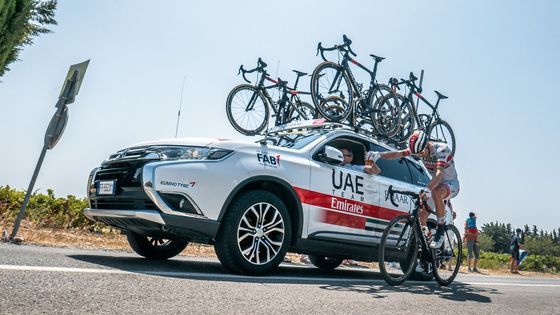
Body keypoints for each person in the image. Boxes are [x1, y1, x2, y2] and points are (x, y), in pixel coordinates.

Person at [374, 130, 460, 248]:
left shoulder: (441, 149)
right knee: (421, 218)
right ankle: (427, 243)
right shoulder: (417, 149)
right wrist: (378, 155)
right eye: (417, 153)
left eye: (420, 153)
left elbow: (439, 174)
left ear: (427, 145)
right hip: (435, 185)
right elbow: (396, 154)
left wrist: (428, 189)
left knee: (436, 192)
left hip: (451, 184)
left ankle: (440, 229)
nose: (419, 155)